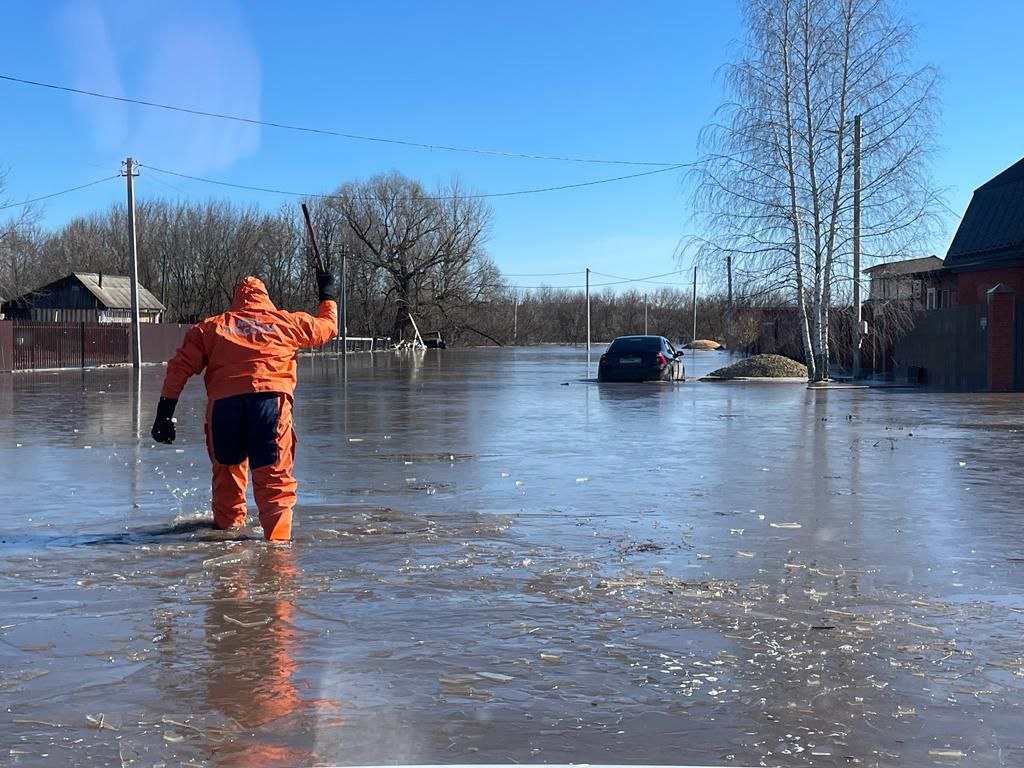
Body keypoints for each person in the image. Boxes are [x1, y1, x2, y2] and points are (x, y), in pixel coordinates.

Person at [150, 270, 337, 541]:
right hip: (270, 404)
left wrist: (164, 415)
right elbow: (328, 328)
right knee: (275, 484)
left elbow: (179, 368)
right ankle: (278, 554)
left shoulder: (211, 328)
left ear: (234, 300)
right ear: (266, 298)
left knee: (227, 480)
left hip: (225, 409)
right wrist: (327, 295)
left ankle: (225, 548)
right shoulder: (287, 323)